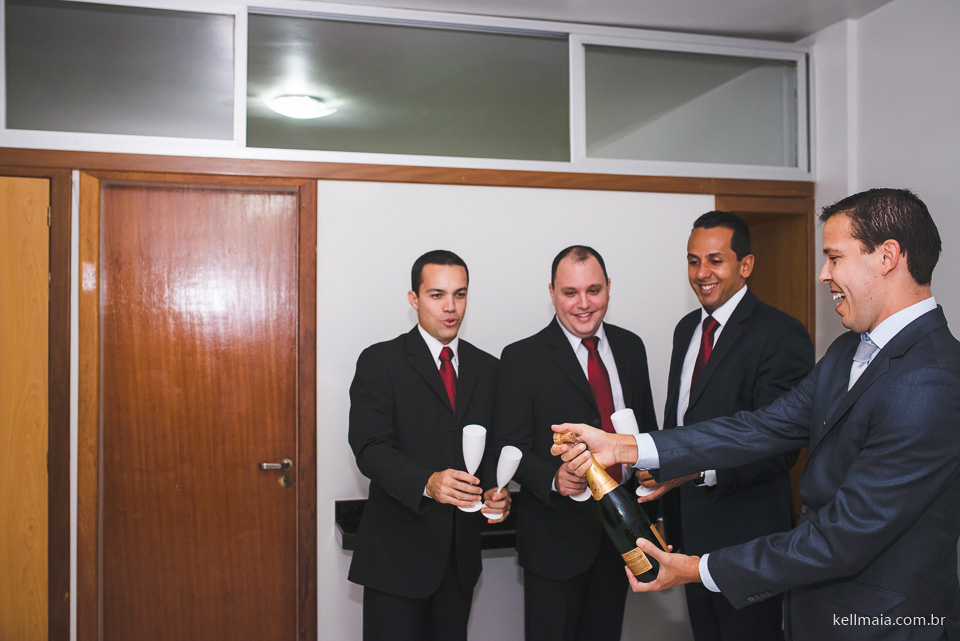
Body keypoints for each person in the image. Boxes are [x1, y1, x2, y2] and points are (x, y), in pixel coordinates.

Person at [553, 189, 960, 641]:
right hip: (817, 610)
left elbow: (841, 537)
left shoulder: (931, 380)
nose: (823, 274)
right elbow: (761, 426)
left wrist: (695, 568)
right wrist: (626, 446)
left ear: (887, 256)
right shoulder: (847, 349)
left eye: (834, 257)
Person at [651, 211, 813, 641]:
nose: (701, 273)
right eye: (693, 261)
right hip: (689, 538)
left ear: (746, 265)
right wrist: (665, 512)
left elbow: (780, 447)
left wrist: (698, 471)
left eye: (715, 260)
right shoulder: (686, 329)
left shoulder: (781, 334)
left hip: (749, 543)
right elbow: (678, 425)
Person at [495, 245, 658, 641]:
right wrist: (554, 478)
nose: (584, 304)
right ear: (552, 293)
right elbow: (508, 446)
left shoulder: (631, 348)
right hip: (555, 543)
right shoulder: (521, 358)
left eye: (594, 290)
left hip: (622, 538)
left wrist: (654, 494)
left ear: (608, 288)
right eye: (571, 293)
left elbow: (648, 434)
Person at [347, 250, 510, 641]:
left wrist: (496, 491)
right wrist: (428, 482)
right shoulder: (379, 361)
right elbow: (370, 448)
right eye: (437, 295)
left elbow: (493, 449)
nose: (450, 307)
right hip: (395, 558)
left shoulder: (489, 368)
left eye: (459, 294)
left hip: (459, 560)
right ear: (414, 298)